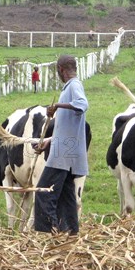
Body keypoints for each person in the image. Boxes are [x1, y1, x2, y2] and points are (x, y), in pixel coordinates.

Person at [33, 55, 89, 235]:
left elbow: (82, 104)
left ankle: (48, 233)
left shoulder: (74, 85)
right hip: (65, 150)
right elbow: (66, 128)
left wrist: (57, 105)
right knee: (66, 197)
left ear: (60, 69)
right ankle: (71, 233)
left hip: (63, 154)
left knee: (43, 192)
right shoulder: (71, 87)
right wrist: (47, 142)